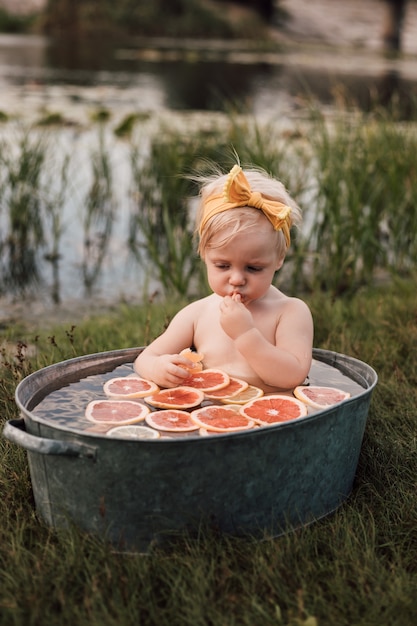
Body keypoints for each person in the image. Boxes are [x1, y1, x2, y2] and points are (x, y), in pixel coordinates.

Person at [134, 161, 314, 392]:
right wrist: (158, 367)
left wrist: (246, 334)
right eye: (222, 265)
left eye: (253, 268)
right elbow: (145, 358)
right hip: (208, 414)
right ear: (205, 255)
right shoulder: (197, 314)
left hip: (268, 415)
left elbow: (293, 376)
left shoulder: (290, 312)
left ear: (279, 258)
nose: (237, 279)